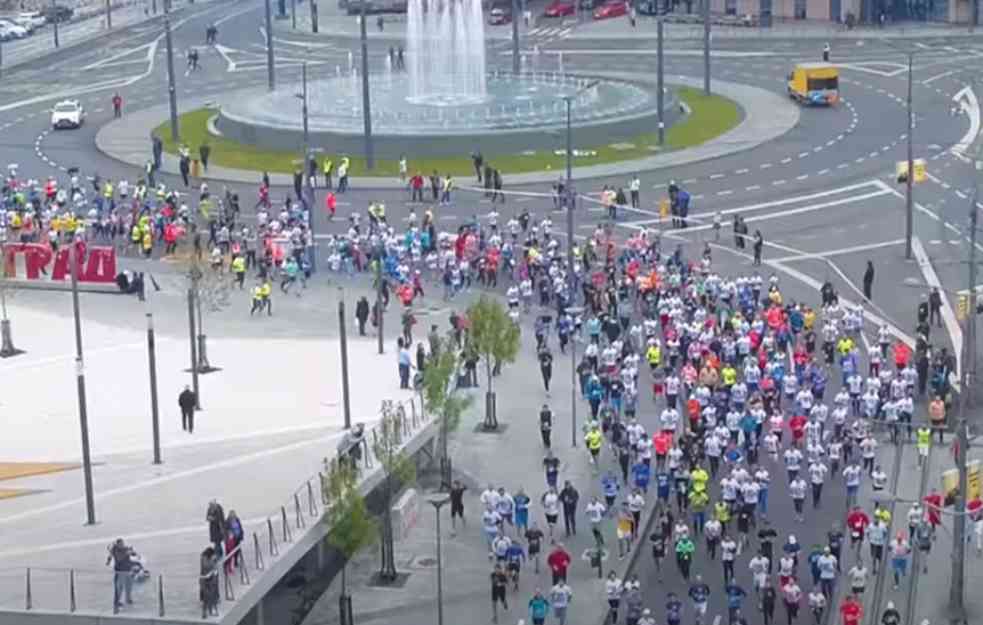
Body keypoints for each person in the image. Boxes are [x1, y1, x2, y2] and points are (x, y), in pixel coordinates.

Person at [106, 538, 134, 613]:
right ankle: (116, 602)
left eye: (123, 543)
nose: (122, 545)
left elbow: (133, 554)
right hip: (120, 572)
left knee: (129, 586)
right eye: (121, 544)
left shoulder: (125, 549)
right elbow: (118, 559)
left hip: (128, 570)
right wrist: (127, 553)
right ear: (117, 544)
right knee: (119, 588)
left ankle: (128, 599)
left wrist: (132, 552)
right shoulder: (115, 551)